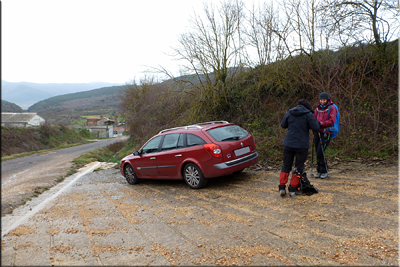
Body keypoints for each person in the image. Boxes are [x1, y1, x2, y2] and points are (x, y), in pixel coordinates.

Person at [279, 99, 320, 197]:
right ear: (307, 107)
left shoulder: (290, 112)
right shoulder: (308, 114)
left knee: (286, 165)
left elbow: (283, 125)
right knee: (298, 167)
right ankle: (293, 189)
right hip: (301, 145)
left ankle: (282, 188)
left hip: (288, 143)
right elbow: (316, 127)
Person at [313, 92, 338, 179]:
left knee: (321, 151)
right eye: (321, 100)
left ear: (327, 99)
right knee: (317, 151)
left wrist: (321, 124)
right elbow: (314, 118)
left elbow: (331, 121)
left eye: (324, 100)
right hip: (317, 132)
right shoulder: (317, 109)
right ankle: (319, 170)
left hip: (326, 132)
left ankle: (324, 171)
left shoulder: (332, 108)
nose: (322, 101)